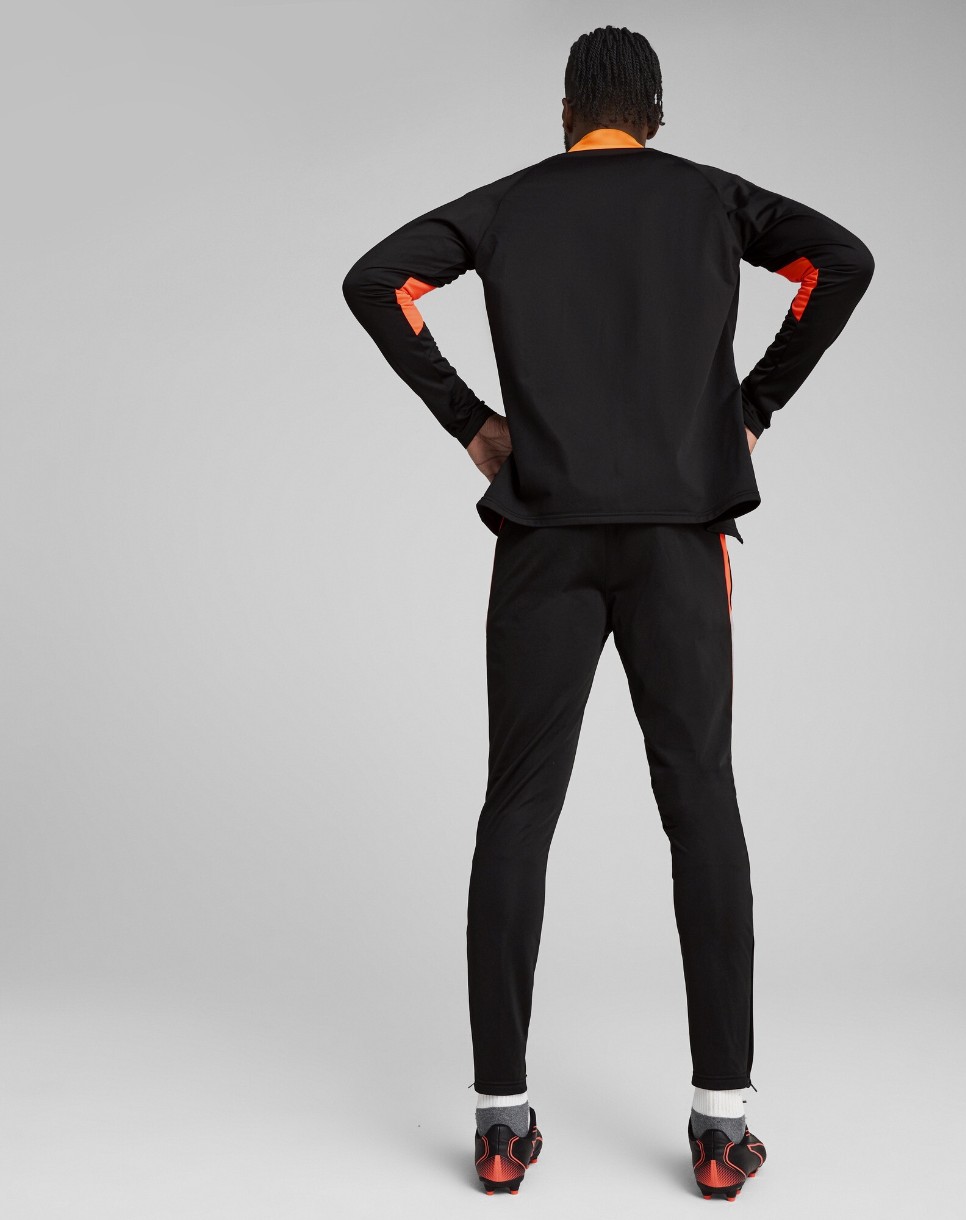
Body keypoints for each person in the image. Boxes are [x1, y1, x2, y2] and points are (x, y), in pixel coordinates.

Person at [340, 23, 875, 1200]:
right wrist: (749, 408)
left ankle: (498, 1120)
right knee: (700, 802)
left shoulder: (508, 205)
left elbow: (374, 280)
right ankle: (722, 1124)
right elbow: (841, 262)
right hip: (679, 541)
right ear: (656, 114)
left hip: (544, 540)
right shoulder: (712, 201)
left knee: (517, 806)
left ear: (564, 113)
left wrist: (469, 423)